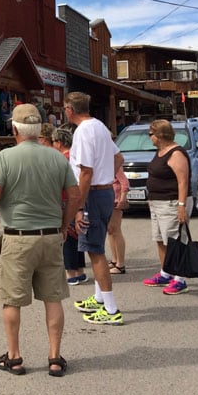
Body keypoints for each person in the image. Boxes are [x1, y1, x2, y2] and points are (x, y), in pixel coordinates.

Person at [0, 103, 80, 378]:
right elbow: (74, 195)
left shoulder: (5, 158)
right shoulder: (57, 158)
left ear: (14, 129)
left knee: (11, 300)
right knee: (53, 298)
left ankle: (14, 357)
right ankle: (55, 357)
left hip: (17, 237)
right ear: (39, 130)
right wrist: (64, 225)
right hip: (50, 236)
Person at [63, 91, 125, 325]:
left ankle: (111, 309)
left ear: (70, 109)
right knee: (95, 245)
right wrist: (107, 175)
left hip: (93, 194)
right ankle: (100, 298)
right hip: (104, 190)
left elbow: (86, 172)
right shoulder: (99, 126)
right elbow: (119, 158)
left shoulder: (83, 132)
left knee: (95, 251)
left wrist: (78, 204)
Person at [142, 119, 192, 295]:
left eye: (151, 134)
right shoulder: (160, 152)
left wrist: (181, 205)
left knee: (174, 241)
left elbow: (183, 180)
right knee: (160, 239)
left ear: (160, 135)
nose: (150, 138)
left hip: (171, 202)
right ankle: (166, 272)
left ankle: (180, 278)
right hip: (157, 202)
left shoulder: (176, 153)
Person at [52, 124, 87, 285]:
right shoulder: (75, 156)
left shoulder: (62, 159)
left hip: (67, 200)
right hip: (77, 198)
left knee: (67, 236)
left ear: (59, 142)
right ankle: (79, 270)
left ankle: (71, 272)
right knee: (77, 235)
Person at [107, 161, 130, 275]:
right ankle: (114, 260)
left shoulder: (113, 162)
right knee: (110, 230)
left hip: (116, 200)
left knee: (116, 230)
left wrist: (122, 199)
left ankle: (120, 264)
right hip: (109, 199)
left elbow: (124, 182)